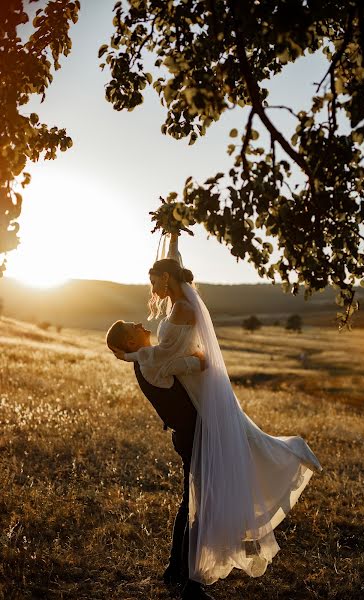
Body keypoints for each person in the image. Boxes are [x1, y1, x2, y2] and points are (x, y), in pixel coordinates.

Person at [113, 234, 322, 599]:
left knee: (192, 499)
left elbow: (168, 337)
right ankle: (191, 583)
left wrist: (173, 237)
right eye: (134, 332)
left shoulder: (179, 310)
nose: (151, 289)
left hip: (198, 414)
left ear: (166, 279)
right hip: (195, 425)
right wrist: (189, 360)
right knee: (202, 501)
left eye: (154, 280)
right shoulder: (164, 333)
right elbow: (167, 357)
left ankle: (176, 571)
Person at [106, 319, 212, 599]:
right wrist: (203, 354)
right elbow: (200, 364)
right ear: (131, 342)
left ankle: (174, 569)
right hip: (192, 439)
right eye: (133, 326)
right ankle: (192, 583)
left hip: (187, 436)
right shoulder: (149, 362)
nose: (140, 323)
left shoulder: (146, 359)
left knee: (188, 503)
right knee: (196, 508)